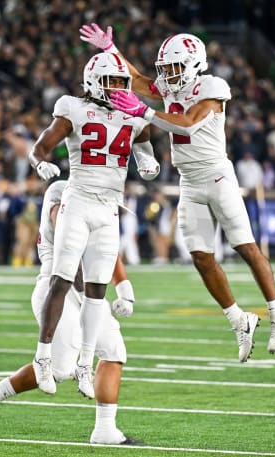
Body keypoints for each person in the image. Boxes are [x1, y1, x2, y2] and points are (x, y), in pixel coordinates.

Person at [80, 24, 275, 361]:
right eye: (166, 70)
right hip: (189, 179)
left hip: (217, 175)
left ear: (194, 63)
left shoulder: (212, 87)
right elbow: (137, 81)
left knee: (245, 247)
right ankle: (239, 320)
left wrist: (143, 111)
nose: (169, 76)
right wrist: (111, 50)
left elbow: (189, 122)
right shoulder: (170, 85)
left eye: (175, 68)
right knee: (201, 257)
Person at [0, 180, 142, 445]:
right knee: (60, 368)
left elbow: (107, 249)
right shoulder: (63, 193)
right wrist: (88, 299)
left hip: (87, 291)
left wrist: (124, 289)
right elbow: (72, 249)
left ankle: (105, 429)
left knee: (114, 350)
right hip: (57, 290)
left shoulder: (99, 187)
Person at [27, 52, 160, 398]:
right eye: (112, 81)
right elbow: (40, 147)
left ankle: (86, 362)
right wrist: (40, 164)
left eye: (122, 82)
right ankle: (42, 356)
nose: (118, 88)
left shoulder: (132, 115)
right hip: (78, 200)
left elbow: (146, 145)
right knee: (63, 277)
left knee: (96, 293)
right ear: (93, 82)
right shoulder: (73, 107)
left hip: (109, 209)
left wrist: (148, 162)